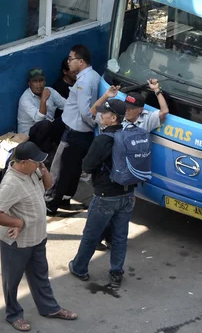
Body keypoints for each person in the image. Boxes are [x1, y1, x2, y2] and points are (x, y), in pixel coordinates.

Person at [0, 141, 77, 332]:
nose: (39, 164)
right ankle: (13, 315)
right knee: (12, 281)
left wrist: (44, 171)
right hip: (17, 242)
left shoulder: (33, 170)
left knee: (40, 275)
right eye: (35, 162)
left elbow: (48, 185)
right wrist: (17, 223)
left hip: (37, 237)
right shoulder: (11, 183)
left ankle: (49, 308)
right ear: (22, 162)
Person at [90, 79, 169, 250]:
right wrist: (107, 95)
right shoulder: (116, 117)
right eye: (126, 107)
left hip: (130, 173)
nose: (127, 111)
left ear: (141, 110)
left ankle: (111, 238)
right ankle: (97, 238)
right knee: (107, 207)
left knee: (120, 211)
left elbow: (164, 111)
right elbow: (93, 111)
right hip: (111, 169)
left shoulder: (146, 120)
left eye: (131, 109)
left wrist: (157, 90)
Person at [68, 99, 135, 288]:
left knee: (91, 234)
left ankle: (79, 267)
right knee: (120, 236)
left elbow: (87, 166)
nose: (101, 115)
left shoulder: (103, 139)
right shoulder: (132, 135)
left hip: (106, 195)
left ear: (113, 118)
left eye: (104, 113)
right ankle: (116, 272)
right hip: (128, 194)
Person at [46, 45, 100, 214]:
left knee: (61, 169)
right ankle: (65, 198)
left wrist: (93, 125)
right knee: (73, 168)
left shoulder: (84, 81)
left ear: (81, 62)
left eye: (71, 59)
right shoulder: (93, 76)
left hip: (76, 132)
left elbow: (85, 111)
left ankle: (51, 204)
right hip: (79, 131)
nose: (68, 62)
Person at [18, 68, 67, 153]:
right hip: (29, 137)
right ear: (29, 84)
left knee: (63, 119)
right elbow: (39, 119)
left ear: (45, 82)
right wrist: (43, 100)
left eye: (41, 81)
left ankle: (58, 147)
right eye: (35, 81)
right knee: (45, 124)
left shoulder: (50, 91)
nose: (39, 84)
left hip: (47, 130)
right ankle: (45, 151)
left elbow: (66, 105)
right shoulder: (25, 99)